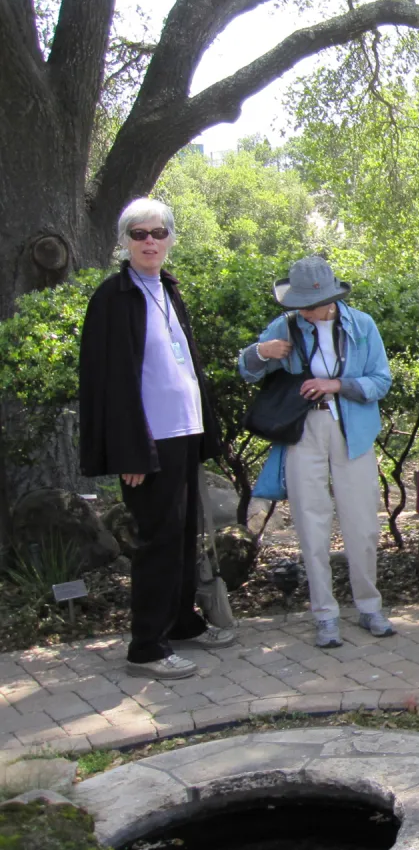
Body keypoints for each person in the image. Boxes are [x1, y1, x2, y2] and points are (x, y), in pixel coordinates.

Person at [78, 199, 234, 680]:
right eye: (139, 233)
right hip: (148, 441)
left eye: (158, 233)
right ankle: (146, 648)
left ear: (170, 239)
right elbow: (108, 382)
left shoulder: (167, 287)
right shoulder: (113, 297)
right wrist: (130, 451)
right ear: (124, 241)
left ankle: (181, 623)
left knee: (183, 537)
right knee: (158, 541)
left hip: (183, 432)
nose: (150, 241)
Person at [238, 256, 394, 649]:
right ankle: (324, 614)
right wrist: (262, 351)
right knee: (311, 522)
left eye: (311, 303)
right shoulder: (287, 325)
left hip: (353, 429)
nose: (304, 310)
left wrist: (337, 385)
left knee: (362, 523)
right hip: (303, 430)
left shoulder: (362, 325)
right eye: (298, 303)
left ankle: (369, 606)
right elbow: (247, 369)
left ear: (331, 298)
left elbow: (381, 380)